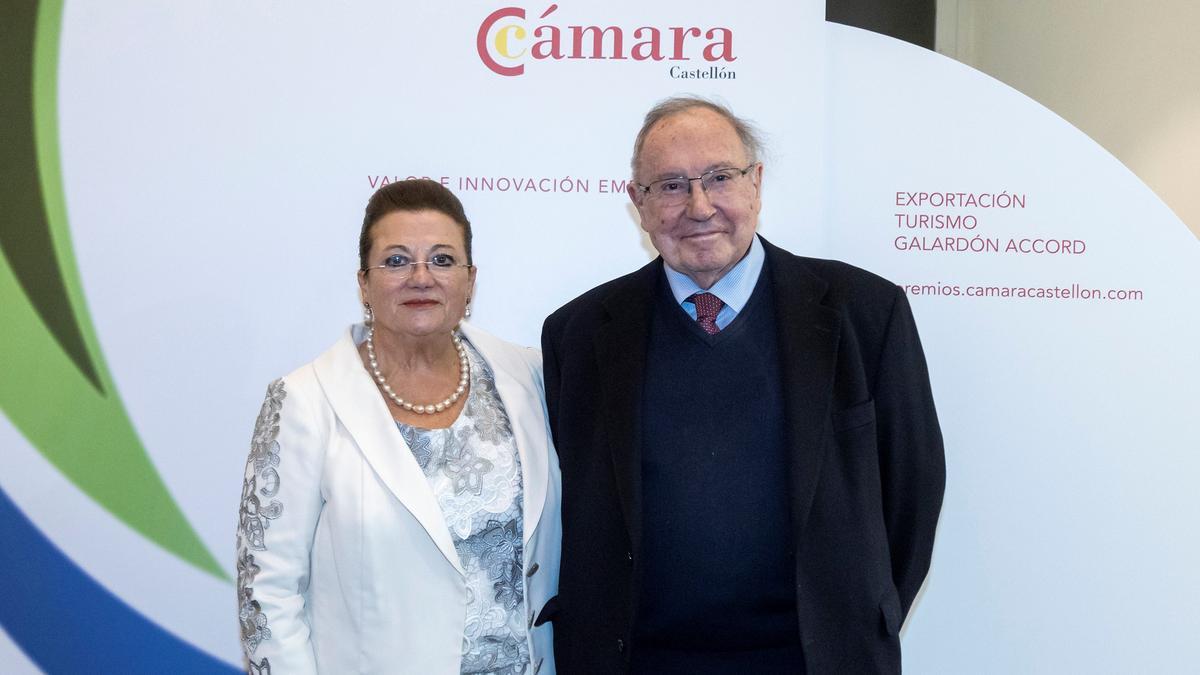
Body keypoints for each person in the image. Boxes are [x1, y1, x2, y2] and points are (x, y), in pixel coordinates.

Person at [540, 97, 945, 674]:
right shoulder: (578, 334)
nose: (699, 206)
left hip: (815, 661)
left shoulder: (865, 314)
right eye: (672, 186)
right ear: (639, 204)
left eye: (719, 178)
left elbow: (912, 493)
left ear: (755, 183)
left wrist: (850, 617)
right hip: (640, 661)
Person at [236, 179, 561, 674]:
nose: (421, 277)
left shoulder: (532, 376)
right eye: (395, 260)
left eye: (442, 259)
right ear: (364, 283)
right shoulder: (304, 400)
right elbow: (268, 592)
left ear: (470, 281)